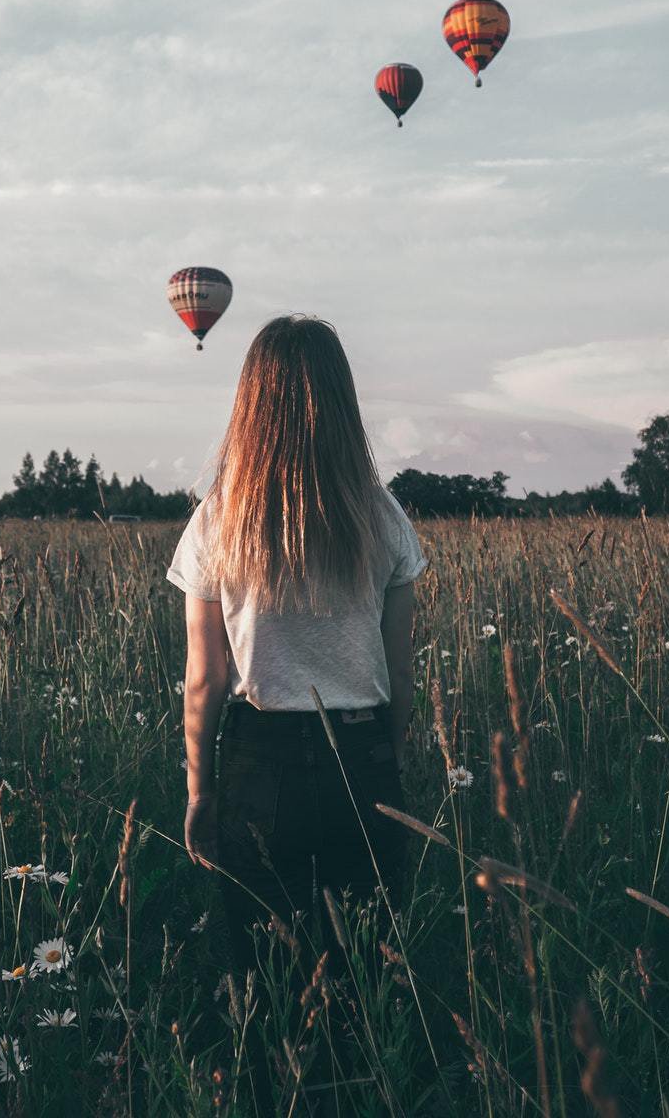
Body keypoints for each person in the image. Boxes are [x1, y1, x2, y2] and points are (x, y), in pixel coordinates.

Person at [167, 314, 426, 1112]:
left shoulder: (220, 517)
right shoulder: (381, 516)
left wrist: (200, 789)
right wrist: (396, 765)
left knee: (257, 984)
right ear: (341, 402)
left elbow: (204, 683)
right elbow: (399, 673)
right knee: (366, 979)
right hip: (363, 759)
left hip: (259, 763)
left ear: (252, 401)